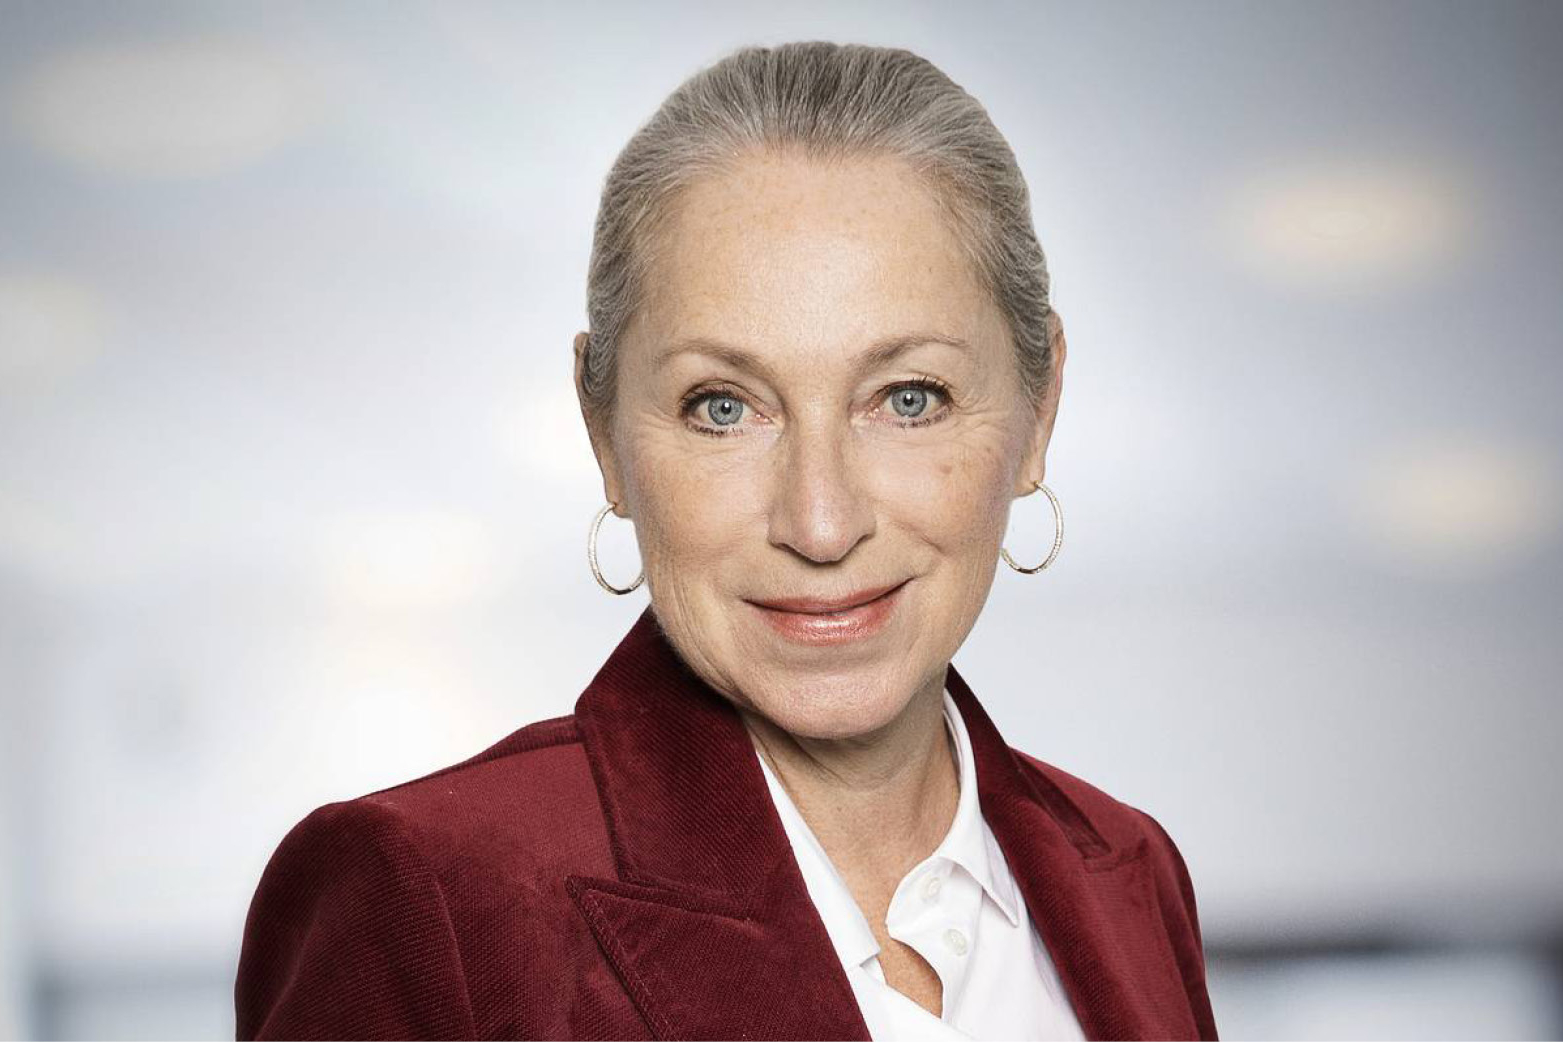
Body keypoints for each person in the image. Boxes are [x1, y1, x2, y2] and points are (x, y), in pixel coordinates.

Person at [235, 40, 1218, 1041]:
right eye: (722, 407)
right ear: (604, 434)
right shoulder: (427, 896)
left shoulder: (1131, 874)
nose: (820, 523)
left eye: (907, 398)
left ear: (1037, 411)